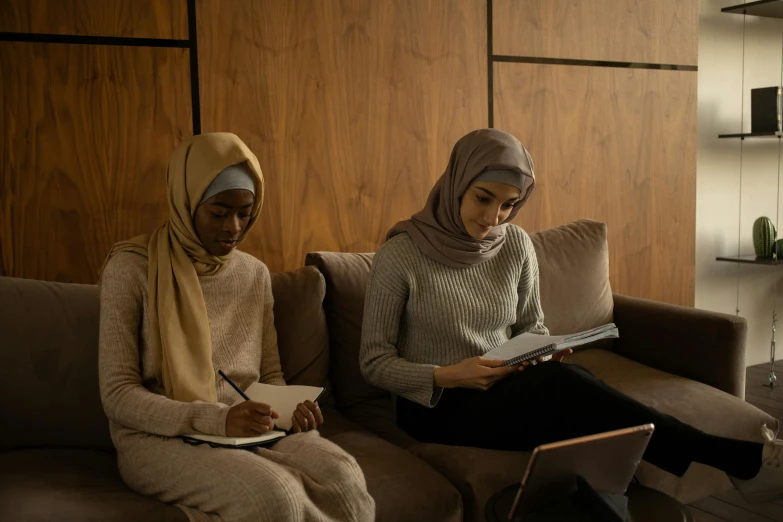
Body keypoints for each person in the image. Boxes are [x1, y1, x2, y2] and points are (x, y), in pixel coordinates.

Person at [359, 128, 783, 504]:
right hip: (435, 404)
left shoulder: (516, 245)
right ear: (455, 183)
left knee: (573, 404)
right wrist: (451, 375)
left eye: (509, 205)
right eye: (483, 198)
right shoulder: (400, 255)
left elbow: (533, 327)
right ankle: (717, 453)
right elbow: (373, 363)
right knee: (571, 393)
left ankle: (669, 479)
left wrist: (538, 352)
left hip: (504, 387)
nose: (493, 219)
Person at [99, 133, 375, 522]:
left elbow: (270, 374)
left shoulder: (254, 274)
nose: (234, 227)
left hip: (250, 426)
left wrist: (289, 410)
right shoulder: (130, 269)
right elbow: (117, 395)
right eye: (219, 212)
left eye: (245, 214)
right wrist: (215, 419)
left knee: (345, 477)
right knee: (273, 498)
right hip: (157, 436)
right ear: (187, 201)